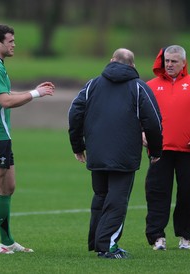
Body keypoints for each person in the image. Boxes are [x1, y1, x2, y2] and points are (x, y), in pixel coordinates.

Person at [68, 48, 163, 259]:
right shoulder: (139, 87)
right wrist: (155, 150)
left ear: (112, 61)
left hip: (97, 152)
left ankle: (97, 242)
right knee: (117, 200)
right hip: (124, 154)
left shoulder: (92, 84)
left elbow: (75, 112)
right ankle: (107, 246)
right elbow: (154, 122)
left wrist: (77, 145)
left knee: (101, 196)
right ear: (133, 66)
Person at [0, 24, 55, 254]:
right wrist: (37, 94)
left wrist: (33, 91)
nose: (14, 44)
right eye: (10, 41)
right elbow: (5, 101)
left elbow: (6, 97)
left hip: (1, 134)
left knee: (8, 186)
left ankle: (7, 241)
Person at [144, 45, 190, 251]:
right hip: (160, 151)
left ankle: (185, 237)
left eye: (174, 61)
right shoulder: (150, 86)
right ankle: (157, 237)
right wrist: (142, 132)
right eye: (167, 60)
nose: (169, 64)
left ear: (183, 63)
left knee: (186, 194)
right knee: (157, 194)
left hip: (188, 150)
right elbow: (140, 114)